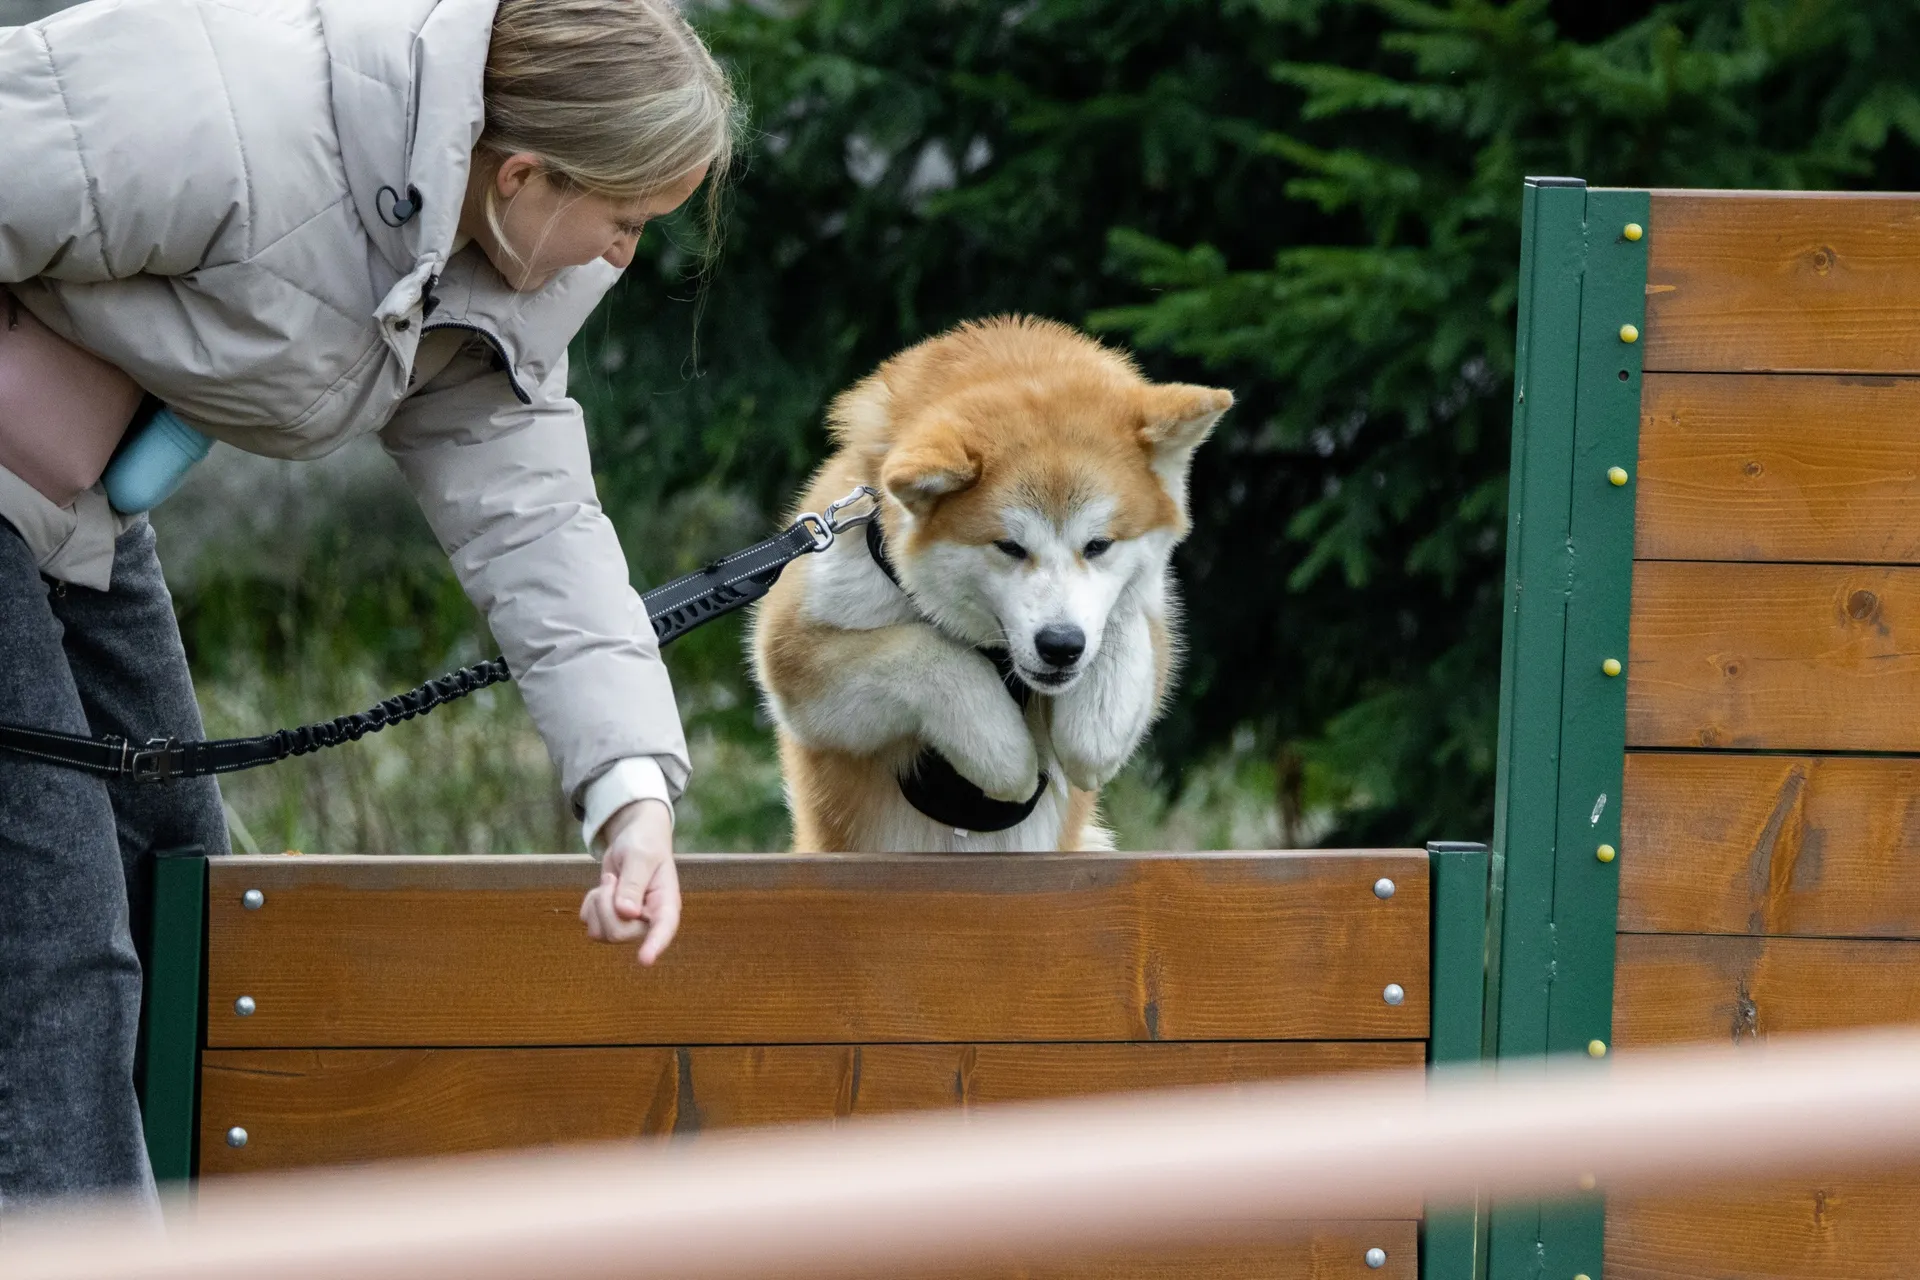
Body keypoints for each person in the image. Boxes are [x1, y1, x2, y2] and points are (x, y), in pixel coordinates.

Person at [0, 0, 738, 1206]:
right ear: (525, 173)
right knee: (52, 931)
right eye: (624, 221)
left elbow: (537, 524)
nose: (624, 257)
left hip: (67, 499)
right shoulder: (217, 116)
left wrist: (632, 797)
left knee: (177, 872)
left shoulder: (492, 273)